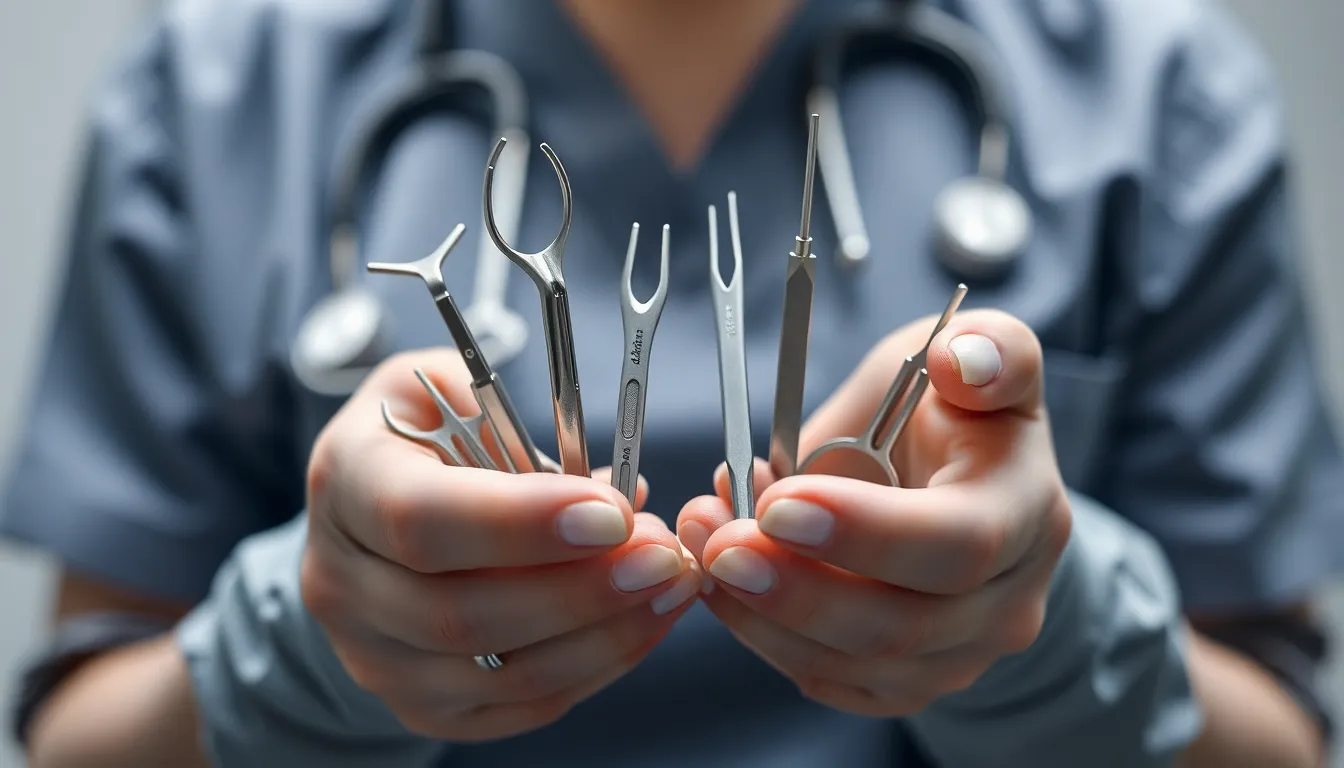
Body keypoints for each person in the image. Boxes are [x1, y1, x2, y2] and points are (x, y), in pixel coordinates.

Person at [4, 0, 1341, 765]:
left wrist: (1055, 629)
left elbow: (1285, 737)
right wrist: (307, 650)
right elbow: (78, 734)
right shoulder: (217, 93)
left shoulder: (1158, 96)